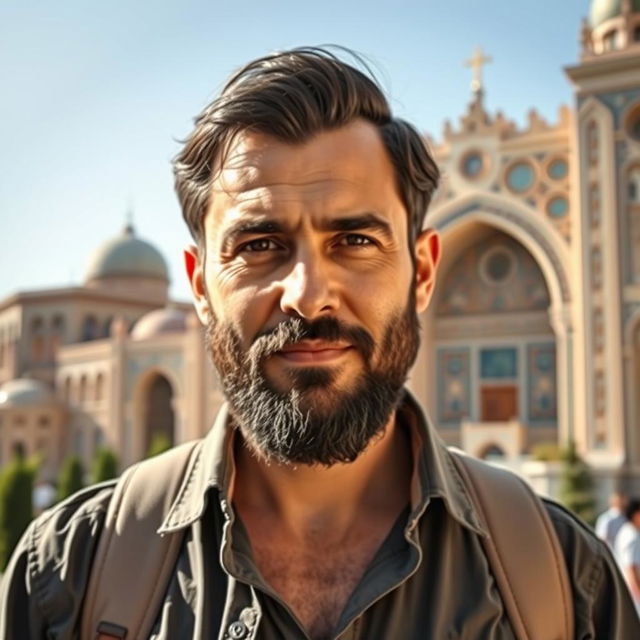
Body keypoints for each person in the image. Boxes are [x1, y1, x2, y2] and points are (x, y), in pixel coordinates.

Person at [1, 47, 638, 639]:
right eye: (258, 246)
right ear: (199, 286)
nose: (307, 297)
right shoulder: (68, 578)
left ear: (421, 273)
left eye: (355, 241)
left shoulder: (564, 586)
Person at [615, 498, 640, 614]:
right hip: (634, 596)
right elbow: (631, 570)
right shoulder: (633, 537)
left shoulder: (625, 530)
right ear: (636, 515)